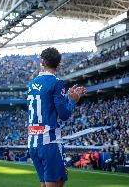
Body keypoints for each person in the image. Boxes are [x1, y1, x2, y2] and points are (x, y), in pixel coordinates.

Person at [27, 47, 86, 187]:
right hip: (50, 141)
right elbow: (64, 114)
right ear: (58, 64)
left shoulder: (31, 84)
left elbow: (46, 102)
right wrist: (72, 100)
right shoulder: (56, 82)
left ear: (42, 62)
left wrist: (65, 96)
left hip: (33, 141)